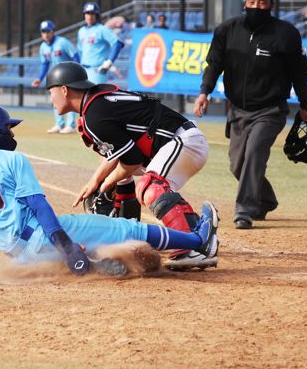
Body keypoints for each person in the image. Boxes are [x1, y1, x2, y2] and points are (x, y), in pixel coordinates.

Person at [0, 105, 220, 274]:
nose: (12, 133)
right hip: (45, 238)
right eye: (9, 128)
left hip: (22, 260)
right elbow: (40, 206)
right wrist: (66, 244)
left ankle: (98, 260)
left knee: (107, 249)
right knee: (125, 227)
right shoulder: (11, 161)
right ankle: (197, 240)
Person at [46, 62, 215, 269]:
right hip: (173, 144)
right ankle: (130, 235)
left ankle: (191, 247)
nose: (50, 99)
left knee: (149, 187)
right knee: (120, 180)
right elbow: (118, 155)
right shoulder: (95, 104)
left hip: (184, 142)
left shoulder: (94, 116)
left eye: (51, 92)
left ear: (64, 90)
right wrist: (96, 181)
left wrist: (105, 183)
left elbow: (131, 160)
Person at [194, 0, 307, 230]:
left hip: (270, 110)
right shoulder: (228, 29)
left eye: (262, 2)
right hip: (238, 109)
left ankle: (244, 210)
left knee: (254, 154)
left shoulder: (286, 34)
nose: (256, 6)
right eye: (251, 2)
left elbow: (298, 74)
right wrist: (204, 92)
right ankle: (267, 199)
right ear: (244, 3)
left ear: (271, 5)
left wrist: (305, 105)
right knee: (237, 164)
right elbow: (214, 65)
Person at [31, 20, 79, 134]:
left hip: (68, 75)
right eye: (43, 32)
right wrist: (40, 78)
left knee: (69, 100)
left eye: (48, 31)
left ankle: (71, 125)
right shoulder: (43, 46)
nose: (46, 34)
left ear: (53, 31)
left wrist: (76, 71)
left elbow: (76, 56)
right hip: (55, 77)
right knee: (56, 100)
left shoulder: (63, 42)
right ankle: (59, 124)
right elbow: (44, 63)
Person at [77, 2, 125, 85]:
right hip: (84, 70)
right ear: (84, 15)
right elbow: (79, 52)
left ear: (97, 15)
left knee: (95, 96)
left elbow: (117, 43)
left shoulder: (102, 29)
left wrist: (110, 61)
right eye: (87, 13)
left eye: (92, 14)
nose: (90, 16)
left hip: (97, 71)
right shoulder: (81, 31)